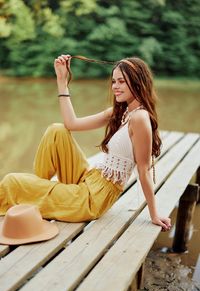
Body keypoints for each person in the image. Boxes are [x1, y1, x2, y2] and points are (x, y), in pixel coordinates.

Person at [0, 54, 171, 231]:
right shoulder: (121, 112)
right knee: (57, 130)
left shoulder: (140, 118)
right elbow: (71, 124)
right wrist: (62, 80)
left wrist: (154, 214)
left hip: (92, 199)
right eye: (113, 81)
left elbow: (143, 171)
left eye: (121, 81)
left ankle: (36, 189)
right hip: (89, 177)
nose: (115, 87)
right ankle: (39, 186)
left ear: (138, 82)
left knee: (12, 181)